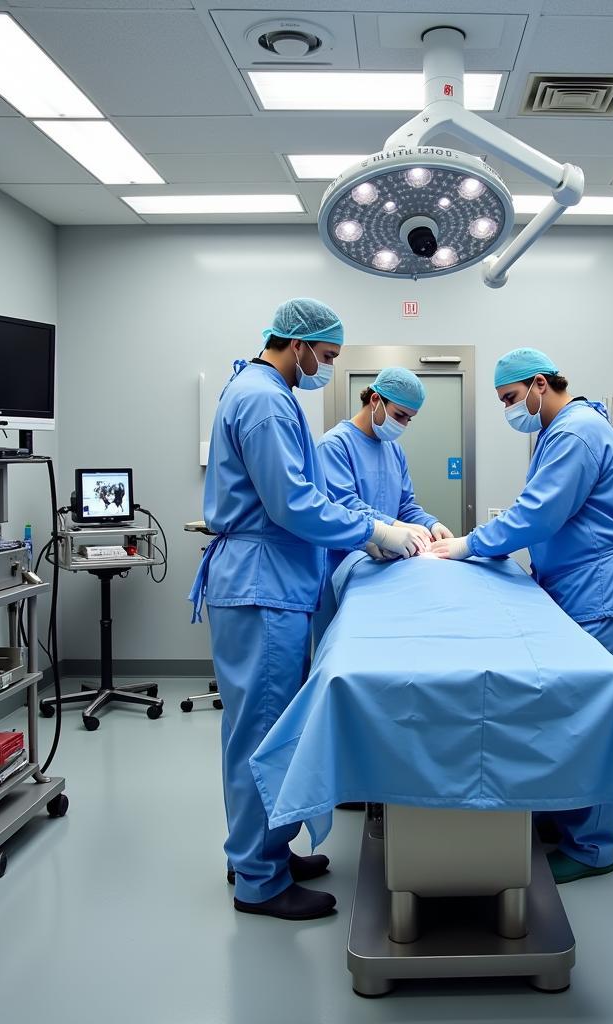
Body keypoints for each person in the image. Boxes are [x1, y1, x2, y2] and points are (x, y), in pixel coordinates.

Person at [189, 298, 429, 921]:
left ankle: (264, 850)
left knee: (270, 729)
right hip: (263, 583)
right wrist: (373, 531)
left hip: (273, 584)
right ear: (297, 345)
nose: (324, 369)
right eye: (324, 357)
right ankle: (258, 879)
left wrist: (392, 527)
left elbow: (306, 497)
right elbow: (294, 503)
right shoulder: (266, 399)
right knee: (260, 734)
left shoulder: (261, 389)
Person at [431, 347, 613, 884]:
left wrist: (471, 545)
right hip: (577, 585)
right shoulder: (557, 431)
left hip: (602, 590)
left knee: (596, 719)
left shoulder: (575, 433)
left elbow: (539, 513)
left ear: (540, 384)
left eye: (512, 399)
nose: (510, 411)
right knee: (569, 715)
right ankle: (563, 820)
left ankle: (591, 845)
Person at [313, 366, 452, 646]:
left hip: (385, 571)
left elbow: (406, 506)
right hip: (341, 567)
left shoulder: (394, 451)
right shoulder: (335, 445)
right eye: (400, 415)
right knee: (341, 650)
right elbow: (345, 505)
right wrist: (394, 528)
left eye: (409, 419)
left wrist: (432, 525)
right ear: (375, 400)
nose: (403, 425)